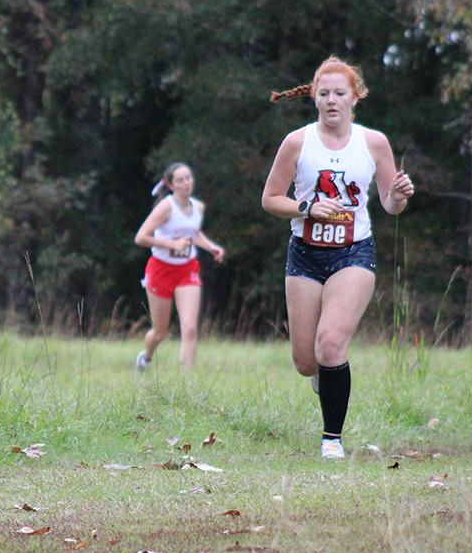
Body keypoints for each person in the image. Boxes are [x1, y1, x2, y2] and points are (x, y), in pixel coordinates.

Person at [261, 56, 414, 460]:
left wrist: (399, 195)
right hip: (306, 254)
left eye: (340, 93)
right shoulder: (297, 142)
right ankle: (323, 380)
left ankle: (332, 439)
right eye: (324, 93)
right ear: (314, 97)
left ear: (355, 98)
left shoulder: (374, 143)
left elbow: (389, 204)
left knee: (331, 344)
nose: (332, 100)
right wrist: (305, 208)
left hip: (353, 253)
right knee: (305, 361)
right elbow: (270, 199)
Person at [133, 162, 225, 371]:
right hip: (160, 269)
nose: (186, 183)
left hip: (187, 269)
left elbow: (194, 233)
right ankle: (146, 357)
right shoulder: (166, 207)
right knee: (160, 332)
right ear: (171, 185)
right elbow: (140, 238)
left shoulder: (198, 207)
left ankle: (187, 383)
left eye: (189, 178)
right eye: (180, 180)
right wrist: (171, 244)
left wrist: (212, 248)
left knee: (190, 328)